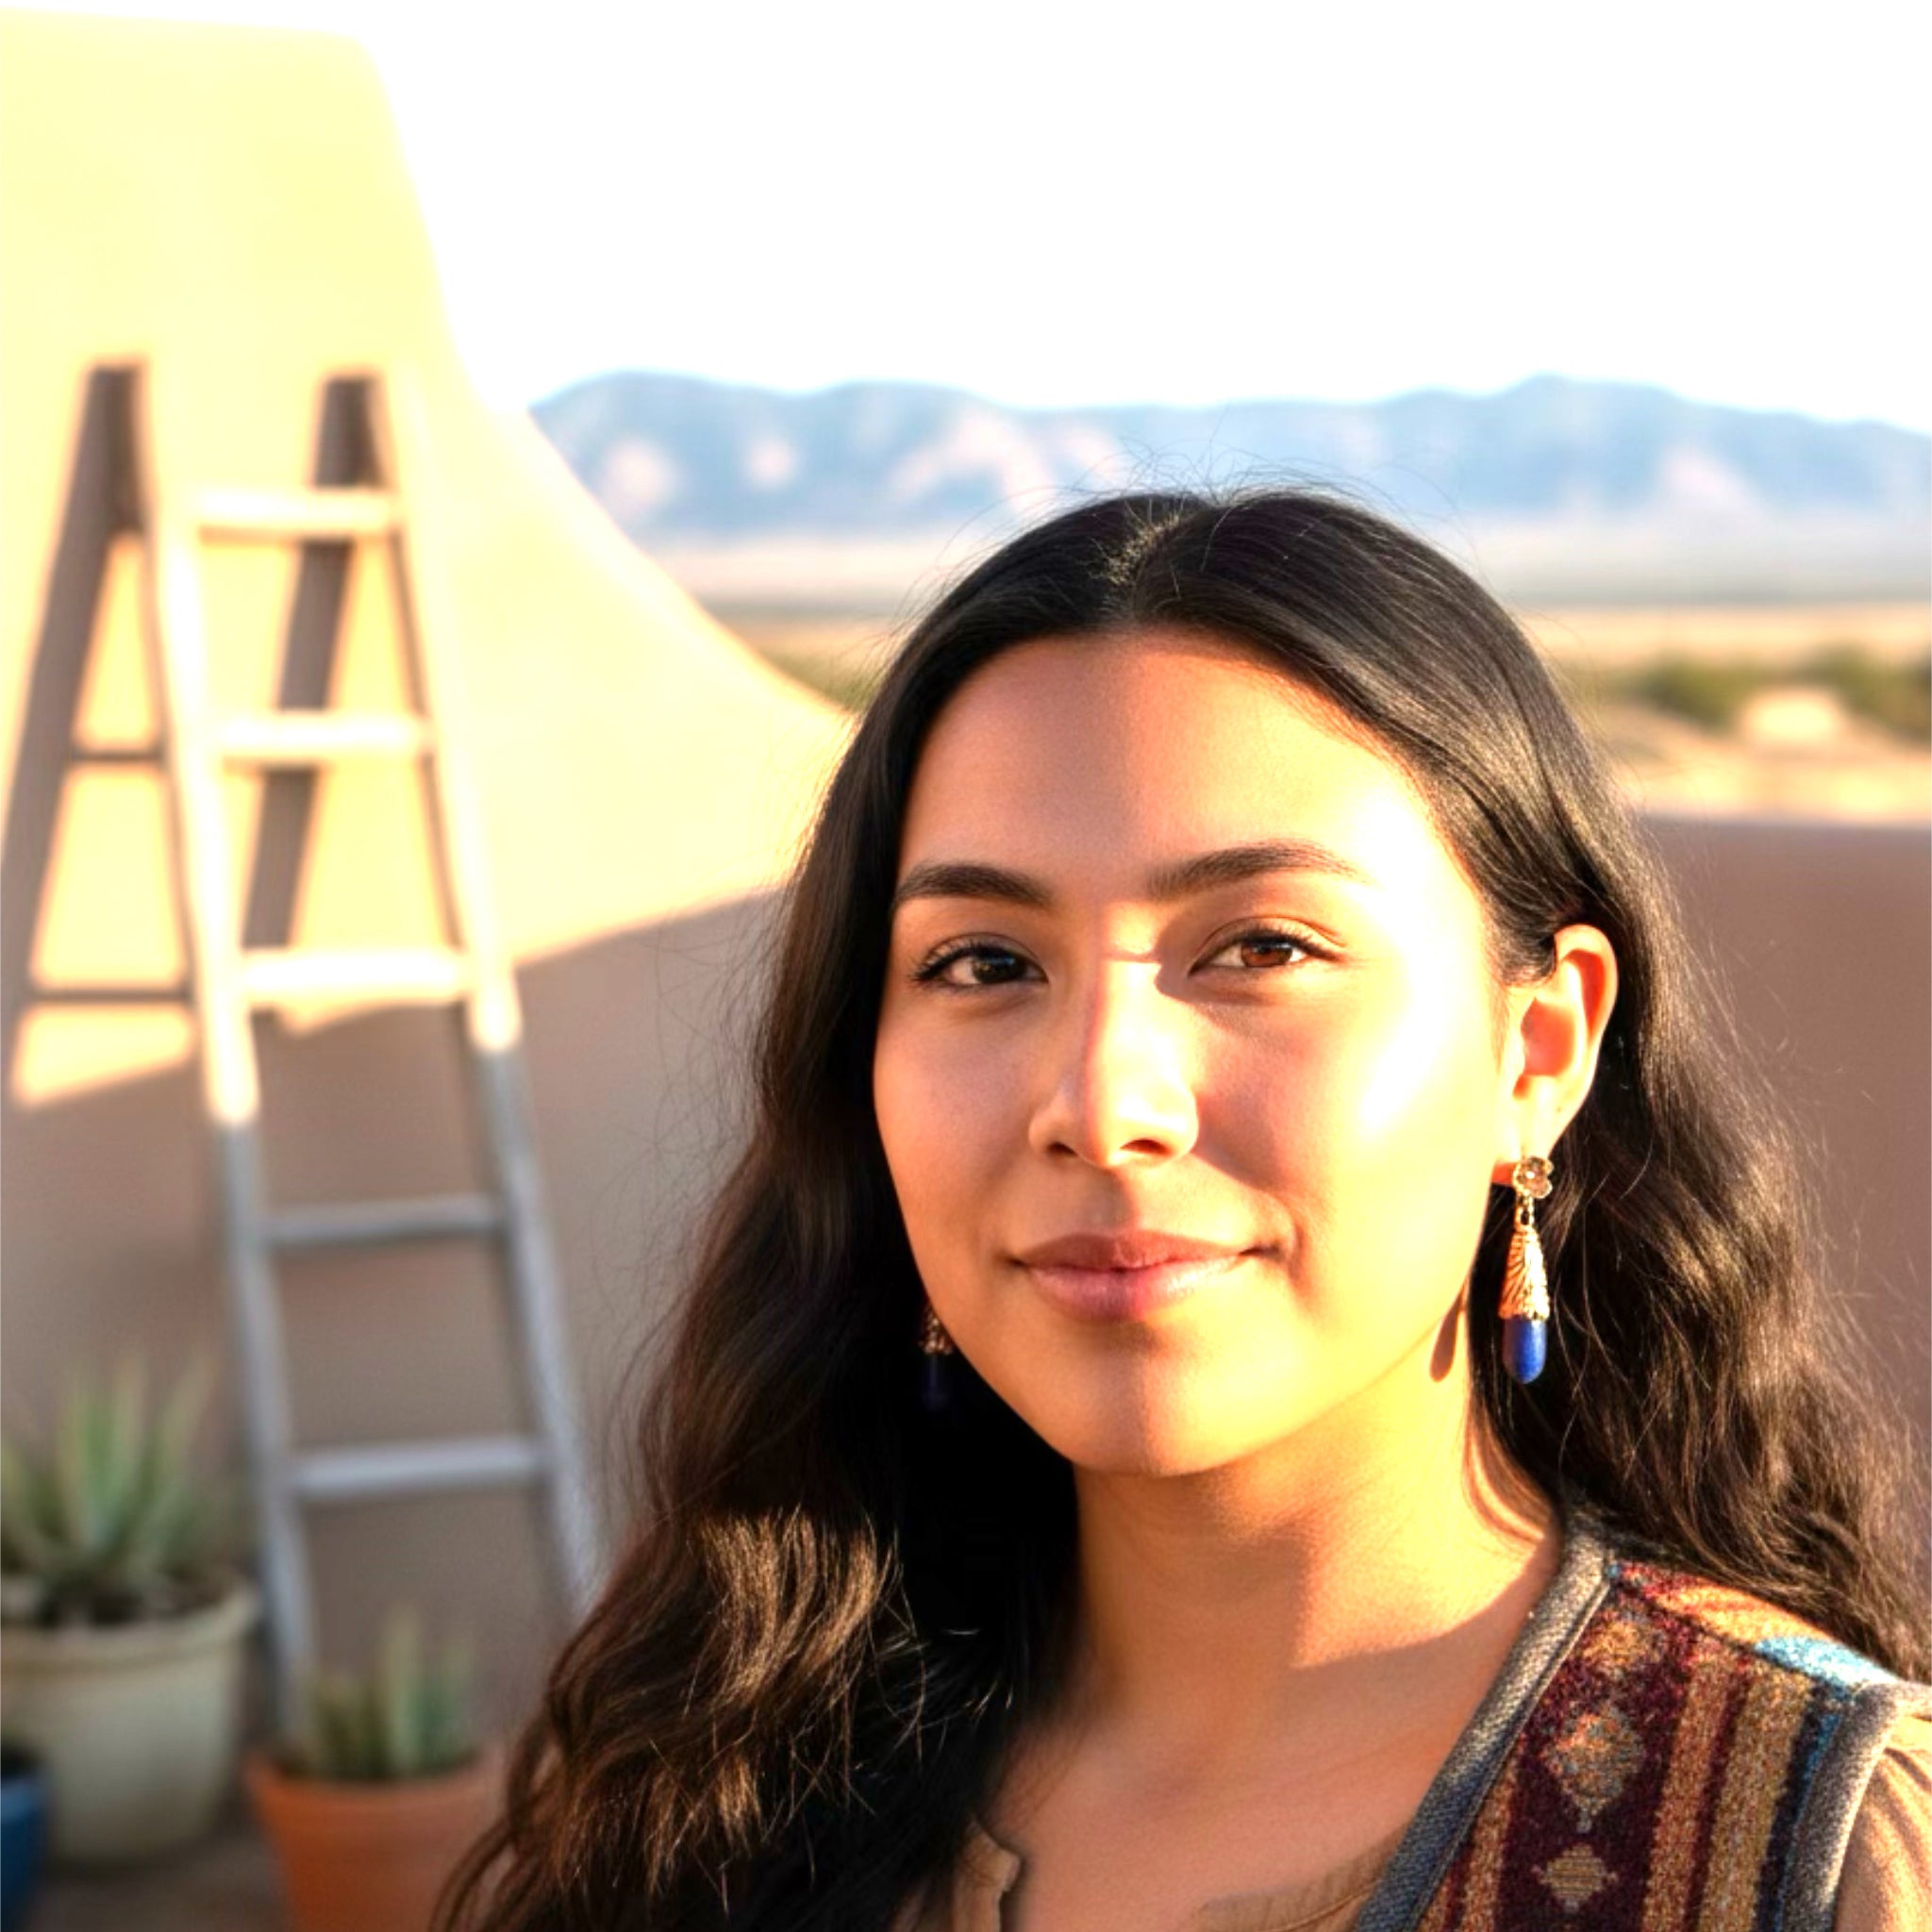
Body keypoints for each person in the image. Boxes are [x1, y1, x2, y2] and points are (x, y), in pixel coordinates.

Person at [441, 491, 1929, 1932]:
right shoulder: (722, 1783)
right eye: (982, 963)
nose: (1101, 1102)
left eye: (1261, 947)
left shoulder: (1812, 1850)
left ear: (1536, 1055)